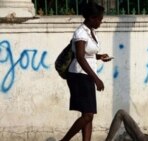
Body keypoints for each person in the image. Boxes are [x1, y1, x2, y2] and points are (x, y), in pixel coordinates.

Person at [60, 2, 112, 141]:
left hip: (86, 75)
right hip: (78, 76)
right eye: (99, 19)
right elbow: (80, 57)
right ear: (91, 18)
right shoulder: (81, 33)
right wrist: (96, 79)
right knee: (88, 115)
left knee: (88, 115)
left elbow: (86, 55)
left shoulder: (90, 31)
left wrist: (99, 57)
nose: (101, 21)